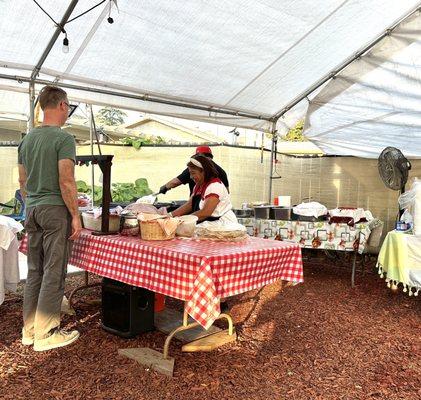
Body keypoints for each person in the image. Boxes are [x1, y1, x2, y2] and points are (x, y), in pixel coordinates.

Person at [18, 85, 81, 351]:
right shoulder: (63, 139)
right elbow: (66, 181)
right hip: (55, 210)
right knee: (53, 272)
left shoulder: (26, 140)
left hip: (32, 209)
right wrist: (75, 216)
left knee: (35, 271)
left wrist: (32, 202)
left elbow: (22, 181)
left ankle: (29, 331)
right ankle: (46, 334)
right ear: (63, 106)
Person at [170, 154, 240, 227]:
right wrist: (170, 215)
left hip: (223, 225)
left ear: (204, 172)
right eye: (190, 173)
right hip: (210, 224)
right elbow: (189, 205)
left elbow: (206, 212)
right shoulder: (198, 185)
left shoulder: (214, 186)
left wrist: (183, 220)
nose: (191, 177)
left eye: (193, 173)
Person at [159, 146, 229, 196]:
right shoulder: (222, 171)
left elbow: (176, 182)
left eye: (193, 173)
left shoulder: (197, 166)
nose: (191, 177)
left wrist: (165, 187)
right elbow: (227, 191)